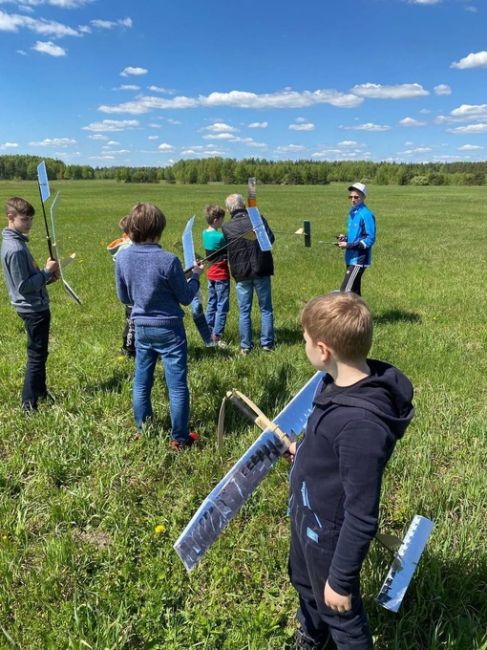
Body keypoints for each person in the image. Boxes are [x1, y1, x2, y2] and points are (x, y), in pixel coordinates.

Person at [287, 292, 414, 649]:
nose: (304, 343)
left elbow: (361, 514)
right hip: (307, 518)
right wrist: (303, 451)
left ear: (324, 349)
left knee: (340, 615)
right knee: (303, 582)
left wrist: (341, 579)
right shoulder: (336, 383)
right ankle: (312, 635)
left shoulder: (361, 424)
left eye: (306, 339)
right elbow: (327, 445)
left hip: (329, 534)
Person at [115, 202, 204, 450]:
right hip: (170, 330)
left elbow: (124, 297)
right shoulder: (168, 260)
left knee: (142, 381)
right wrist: (195, 276)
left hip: (141, 327)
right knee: (176, 385)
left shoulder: (122, 257)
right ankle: (179, 438)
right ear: (158, 230)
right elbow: (186, 297)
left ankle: (143, 429)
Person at [1, 197, 59, 413]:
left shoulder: (15, 243)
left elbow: (28, 278)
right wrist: (45, 272)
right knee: (36, 355)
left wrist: (46, 277)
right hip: (33, 309)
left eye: (31, 220)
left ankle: (40, 391)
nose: (29, 224)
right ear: (10, 217)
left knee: (41, 352)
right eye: (24, 220)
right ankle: (28, 404)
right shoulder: (15, 248)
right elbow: (23, 286)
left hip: (34, 305)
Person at [222, 193, 275, 354]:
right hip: (261, 269)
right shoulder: (257, 219)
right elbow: (270, 239)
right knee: (265, 308)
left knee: (244, 310)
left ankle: (246, 346)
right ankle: (267, 344)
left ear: (229, 210)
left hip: (241, 273)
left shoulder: (226, 227)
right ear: (243, 205)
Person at [337, 183, 376, 296]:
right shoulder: (353, 213)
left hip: (358, 260)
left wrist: (348, 245)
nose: (353, 199)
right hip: (350, 258)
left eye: (356, 197)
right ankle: (362, 314)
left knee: (345, 293)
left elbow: (370, 239)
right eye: (351, 197)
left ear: (363, 197)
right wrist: (345, 238)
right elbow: (357, 236)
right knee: (354, 293)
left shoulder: (366, 214)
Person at [107, 215, 135, 358]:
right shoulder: (127, 247)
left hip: (130, 292)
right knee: (131, 325)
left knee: (132, 323)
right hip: (131, 295)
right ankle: (129, 349)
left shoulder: (124, 245)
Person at [202, 203, 230, 346]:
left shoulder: (204, 233)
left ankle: (207, 331)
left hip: (210, 274)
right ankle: (217, 336)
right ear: (215, 220)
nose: (222, 222)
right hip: (221, 275)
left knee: (211, 303)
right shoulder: (220, 237)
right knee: (222, 305)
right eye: (221, 219)